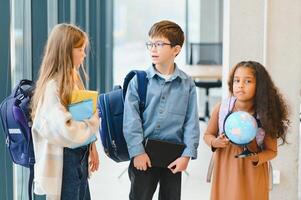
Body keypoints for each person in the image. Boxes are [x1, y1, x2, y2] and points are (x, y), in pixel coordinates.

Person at [123, 20, 200, 200]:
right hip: (144, 155)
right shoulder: (139, 81)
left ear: (176, 49)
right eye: (150, 43)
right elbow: (131, 120)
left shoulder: (187, 84)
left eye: (159, 44)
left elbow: (191, 122)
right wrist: (137, 152)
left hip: (173, 157)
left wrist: (187, 155)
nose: (153, 49)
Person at [31, 23, 100, 200]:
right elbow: (66, 131)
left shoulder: (73, 78)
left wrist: (92, 145)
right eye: (80, 50)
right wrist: (94, 122)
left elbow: (80, 115)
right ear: (66, 51)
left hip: (79, 158)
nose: (84, 55)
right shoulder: (52, 87)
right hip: (66, 163)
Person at [203, 61, 290, 200]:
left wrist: (257, 157)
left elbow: (272, 151)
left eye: (248, 81)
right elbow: (208, 135)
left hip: (252, 171)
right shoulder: (222, 108)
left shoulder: (266, 114)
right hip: (225, 167)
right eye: (236, 80)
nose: (240, 85)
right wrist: (215, 142)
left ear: (260, 87)